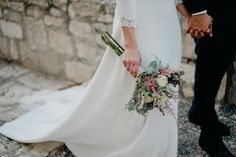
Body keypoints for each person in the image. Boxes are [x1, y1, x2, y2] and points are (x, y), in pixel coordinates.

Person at [0, 0, 189, 156]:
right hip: (142, 24)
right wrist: (130, 44)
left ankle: (161, 145)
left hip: (166, 24)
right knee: (149, 87)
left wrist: (190, 14)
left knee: (166, 86)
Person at [182, 0, 236, 156]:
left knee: (222, 55)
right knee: (211, 59)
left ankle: (200, 111)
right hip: (212, 6)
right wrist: (198, 10)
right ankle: (209, 135)